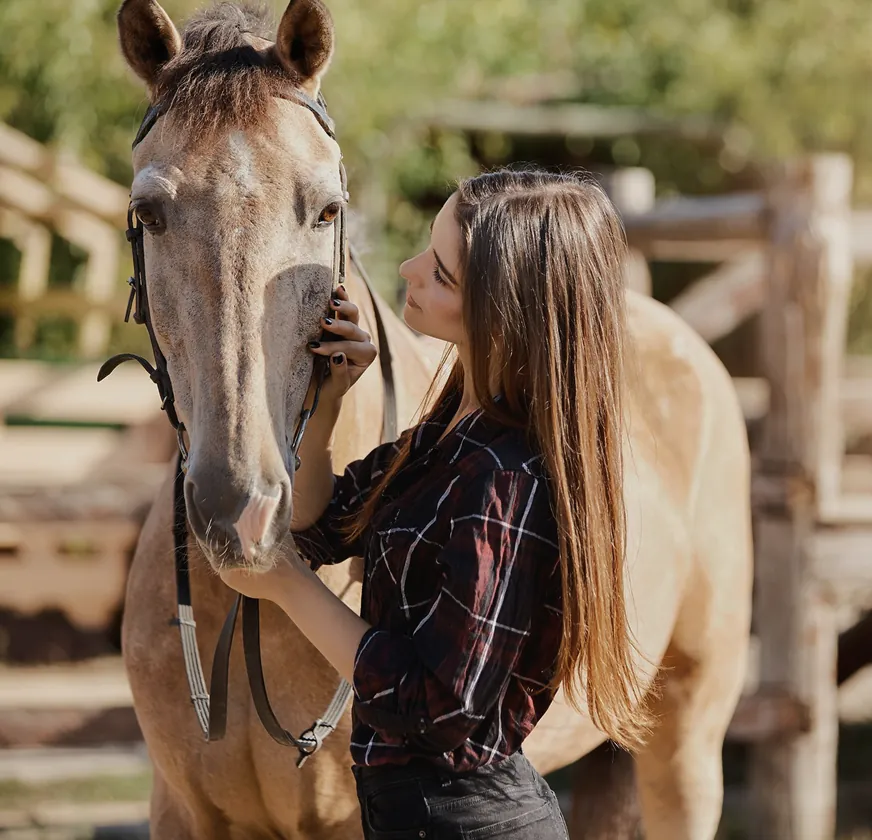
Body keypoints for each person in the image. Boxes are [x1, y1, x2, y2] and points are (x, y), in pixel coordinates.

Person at [220, 168, 649, 839]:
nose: (411, 271)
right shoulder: (456, 431)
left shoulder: (501, 483)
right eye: (428, 248)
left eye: (442, 274)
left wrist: (287, 587)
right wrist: (328, 407)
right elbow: (326, 529)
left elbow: (436, 705)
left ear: (505, 311)